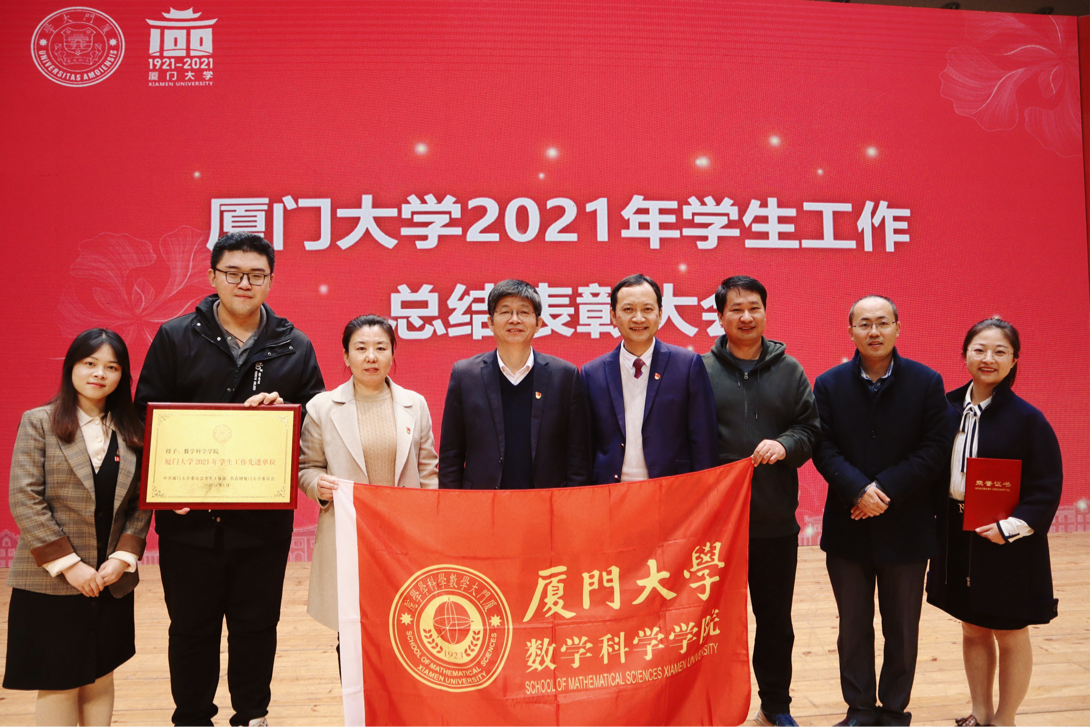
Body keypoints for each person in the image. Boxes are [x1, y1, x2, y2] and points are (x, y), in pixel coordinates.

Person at [135, 232, 325, 727]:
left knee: (256, 626)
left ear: (270, 281)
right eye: (234, 273)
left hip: (261, 521)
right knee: (190, 628)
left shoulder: (294, 344)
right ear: (212, 276)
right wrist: (165, 484)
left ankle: (252, 715)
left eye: (257, 275)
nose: (245, 283)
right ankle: (192, 716)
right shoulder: (176, 336)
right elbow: (144, 416)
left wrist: (283, 412)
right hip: (188, 519)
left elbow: (316, 422)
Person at [812, 295, 951, 727]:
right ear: (850, 331)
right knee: (852, 626)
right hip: (848, 526)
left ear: (898, 328)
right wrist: (858, 489)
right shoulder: (829, 384)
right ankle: (859, 709)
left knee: (902, 628)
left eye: (883, 322)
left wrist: (883, 490)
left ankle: (893, 711)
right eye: (865, 324)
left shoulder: (926, 382)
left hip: (907, 526)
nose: (874, 331)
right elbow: (823, 446)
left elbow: (935, 449)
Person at [4, 329, 151, 727]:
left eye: (111, 367)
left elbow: (141, 500)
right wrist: (70, 565)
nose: (99, 374)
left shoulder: (133, 429)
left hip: (110, 579)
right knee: (59, 681)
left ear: (122, 376)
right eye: (90, 363)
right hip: (51, 579)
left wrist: (123, 557)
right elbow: (24, 498)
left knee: (101, 675)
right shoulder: (39, 422)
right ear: (71, 366)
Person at [925, 319, 1062, 727]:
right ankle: (980, 712)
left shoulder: (1028, 419)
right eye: (980, 349)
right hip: (955, 534)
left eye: (1000, 351)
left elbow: (1046, 486)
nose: (988, 359)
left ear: (1014, 360)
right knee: (972, 627)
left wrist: (1010, 528)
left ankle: (1005, 720)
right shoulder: (944, 409)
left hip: (1007, 541)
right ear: (965, 354)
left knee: (1010, 631)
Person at [702, 276, 820, 727]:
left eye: (754, 307)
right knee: (711, 622)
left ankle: (776, 705)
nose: (746, 317)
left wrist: (785, 444)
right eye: (736, 309)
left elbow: (810, 430)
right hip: (715, 528)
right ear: (720, 317)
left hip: (773, 523)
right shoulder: (700, 371)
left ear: (766, 312)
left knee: (774, 621)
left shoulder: (790, 370)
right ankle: (711, 704)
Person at [298, 314, 438, 635]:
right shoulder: (322, 407)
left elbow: (428, 470)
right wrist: (317, 485)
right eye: (361, 348)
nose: (371, 357)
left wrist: (429, 525)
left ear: (393, 353)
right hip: (348, 534)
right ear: (346, 356)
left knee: (404, 626)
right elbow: (307, 468)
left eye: (381, 348)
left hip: (404, 535)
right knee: (352, 632)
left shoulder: (415, 405)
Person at [439, 279, 589, 489]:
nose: (515, 319)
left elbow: (578, 455)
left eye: (524, 312)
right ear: (490, 322)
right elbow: (451, 454)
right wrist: (452, 502)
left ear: (539, 323)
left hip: (547, 500)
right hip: (483, 501)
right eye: (505, 312)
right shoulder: (465, 375)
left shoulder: (564, 375)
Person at [581, 273, 717, 484]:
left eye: (647, 309)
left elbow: (703, 441)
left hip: (671, 489)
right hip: (610, 492)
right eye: (628, 309)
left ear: (660, 314)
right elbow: (584, 446)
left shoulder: (687, 365)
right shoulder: (591, 373)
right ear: (613, 315)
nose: (638, 318)